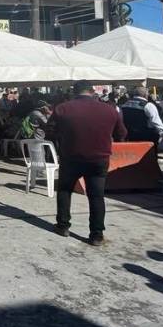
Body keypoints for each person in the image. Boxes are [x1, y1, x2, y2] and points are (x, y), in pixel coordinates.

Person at [48, 80, 127, 247]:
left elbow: (51, 131)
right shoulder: (110, 109)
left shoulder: (62, 108)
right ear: (92, 91)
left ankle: (63, 226)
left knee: (64, 190)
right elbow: (122, 133)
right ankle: (96, 234)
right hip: (99, 159)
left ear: (74, 92)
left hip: (71, 157)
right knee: (96, 196)